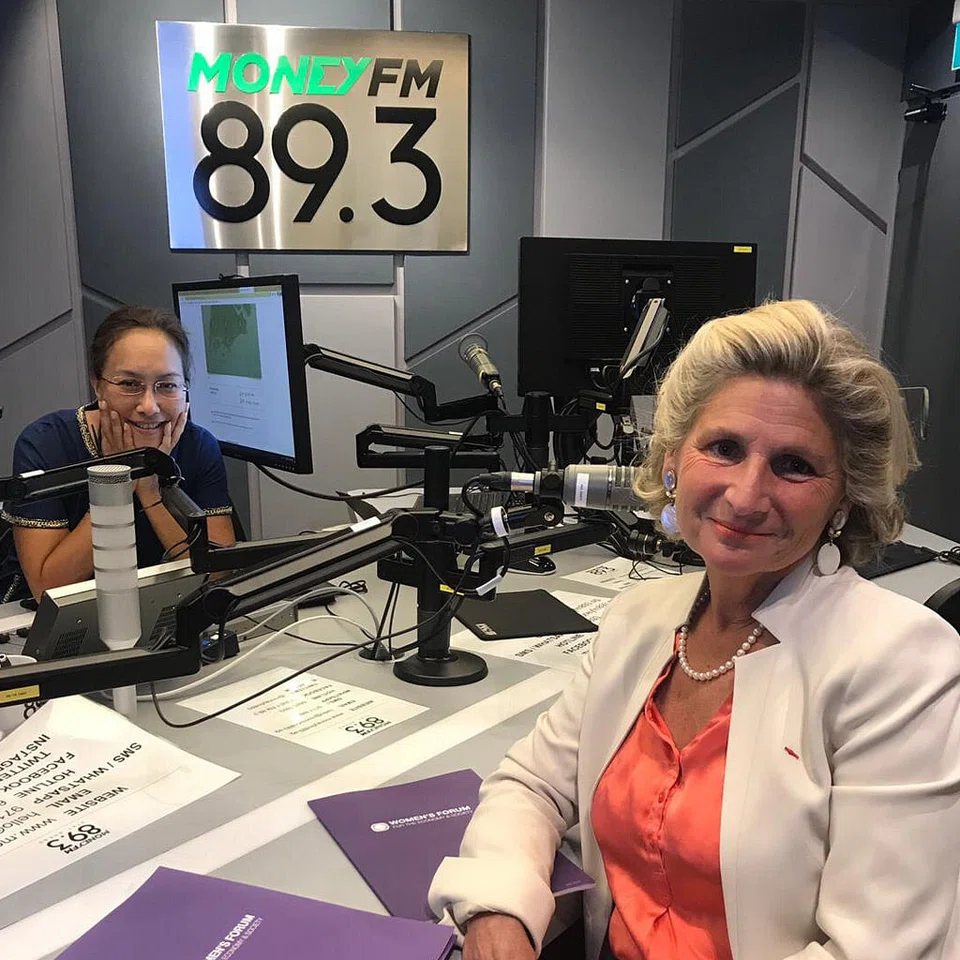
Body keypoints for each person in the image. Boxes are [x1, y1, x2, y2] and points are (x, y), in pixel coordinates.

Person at [428, 300, 960, 960]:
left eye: (795, 465)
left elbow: (875, 948)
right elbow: (532, 785)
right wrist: (498, 911)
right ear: (673, 458)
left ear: (843, 500)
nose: (745, 495)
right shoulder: (640, 620)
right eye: (724, 448)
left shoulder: (904, 664)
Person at [0, 306, 236, 601]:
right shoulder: (46, 443)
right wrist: (116, 484)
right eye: (129, 384)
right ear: (97, 384)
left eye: (167, 385)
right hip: (39, 619)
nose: (149, 406)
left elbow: (218, 574)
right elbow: (49, 590)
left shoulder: (199, 446)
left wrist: (150, 492)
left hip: (161, 607)